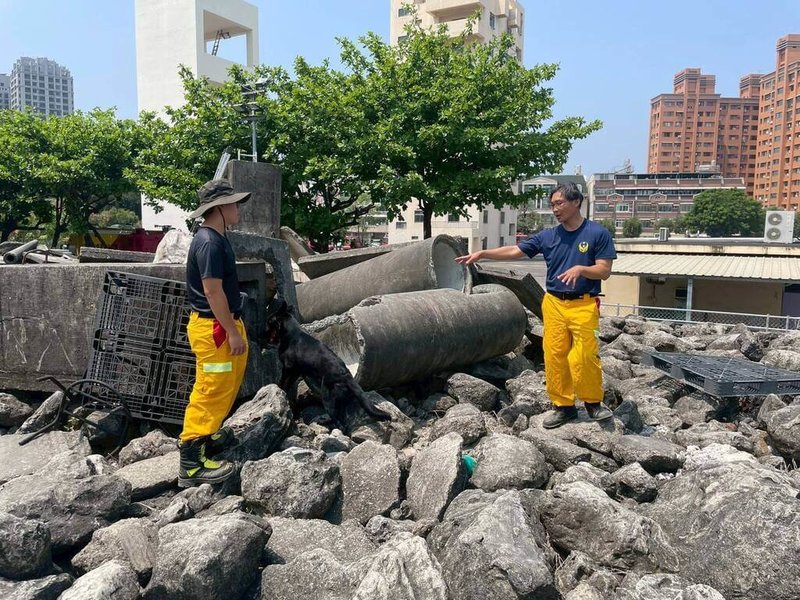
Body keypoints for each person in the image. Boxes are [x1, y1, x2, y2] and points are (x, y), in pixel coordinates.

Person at [456, 182, 616, 428]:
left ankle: (593, 403)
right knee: (554, 355)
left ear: (576, 202)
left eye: (559, 203)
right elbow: (515, 250)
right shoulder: (548, 236)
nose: (554, 209)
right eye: (552, 204)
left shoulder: (597, 234)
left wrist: (582, 269)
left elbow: (604, 271)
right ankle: (563, 407)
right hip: (553, 302)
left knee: (583, 356)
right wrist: (483, 254)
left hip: (584, 304)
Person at [178, 179, 251, 487]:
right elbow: (211, 290)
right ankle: (191, 461)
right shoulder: (209, 242)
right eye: (234, 204)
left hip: (221, 324)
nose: (238, 209)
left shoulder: (216, 237)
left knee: (228, 379)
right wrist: (232, 332)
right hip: (215, 328)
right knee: (211, 387)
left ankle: (209, 432)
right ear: (219, 208)